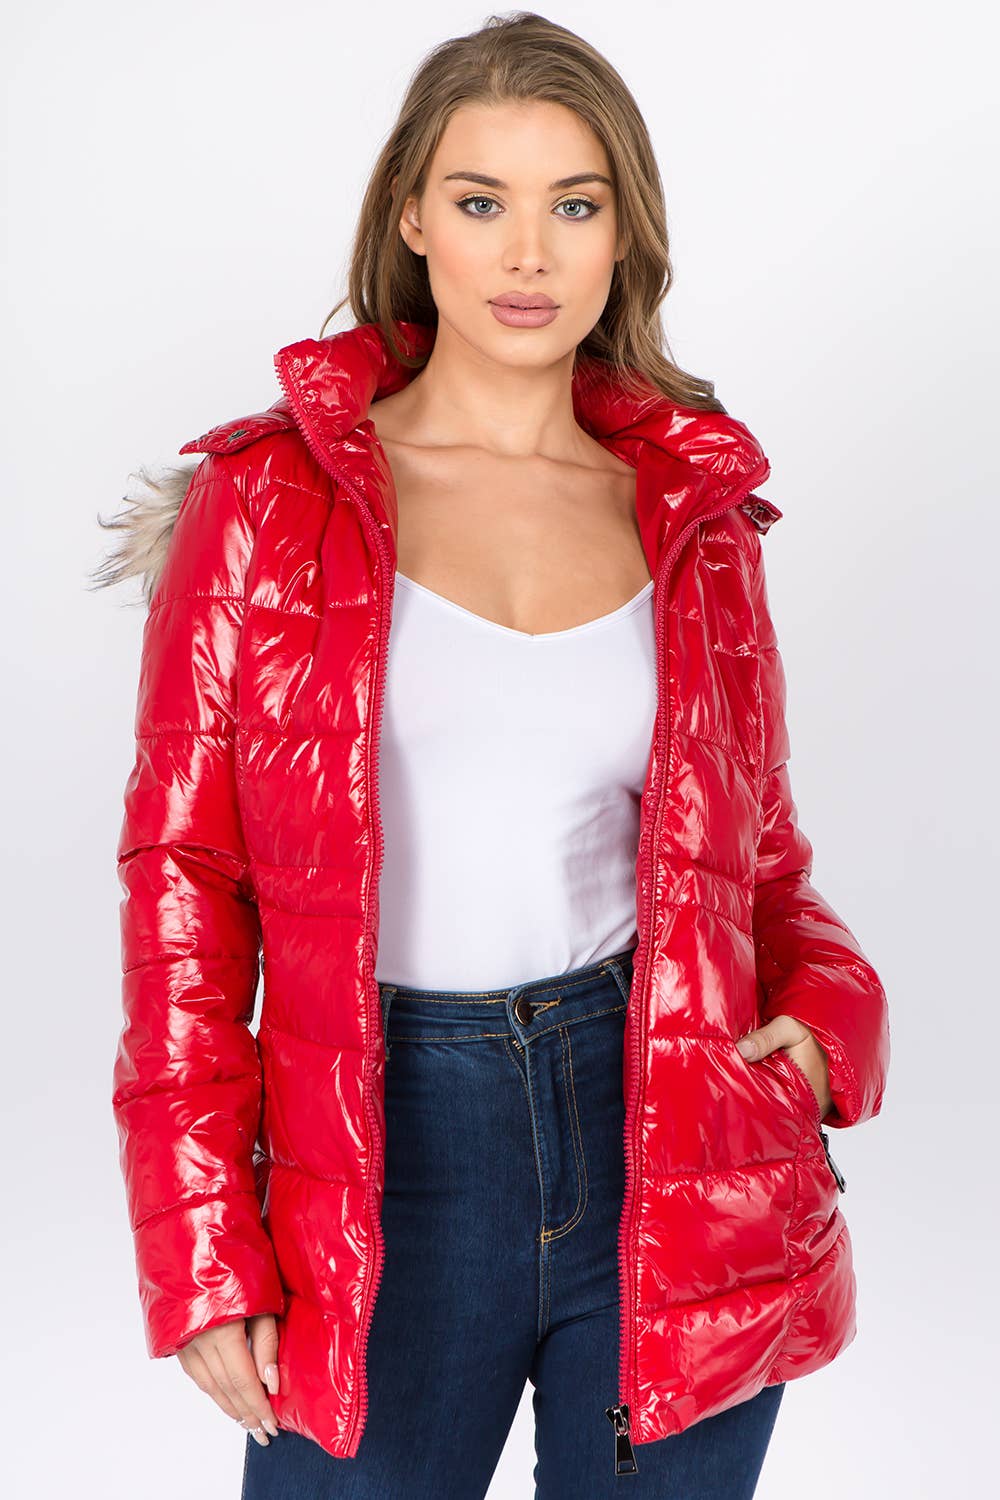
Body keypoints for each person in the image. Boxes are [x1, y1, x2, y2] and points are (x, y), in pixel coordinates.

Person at [94, 12, 890, 1498]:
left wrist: (828, 1016)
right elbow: (183, 886)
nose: (528, 254)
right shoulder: (269, 504)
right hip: (379, 1149)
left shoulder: (695, 520)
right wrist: (203, 1241)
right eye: (482, 201)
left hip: (671, 1133)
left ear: (623, 235)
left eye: (574, 205)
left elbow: (762, 861)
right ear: (412, 217)